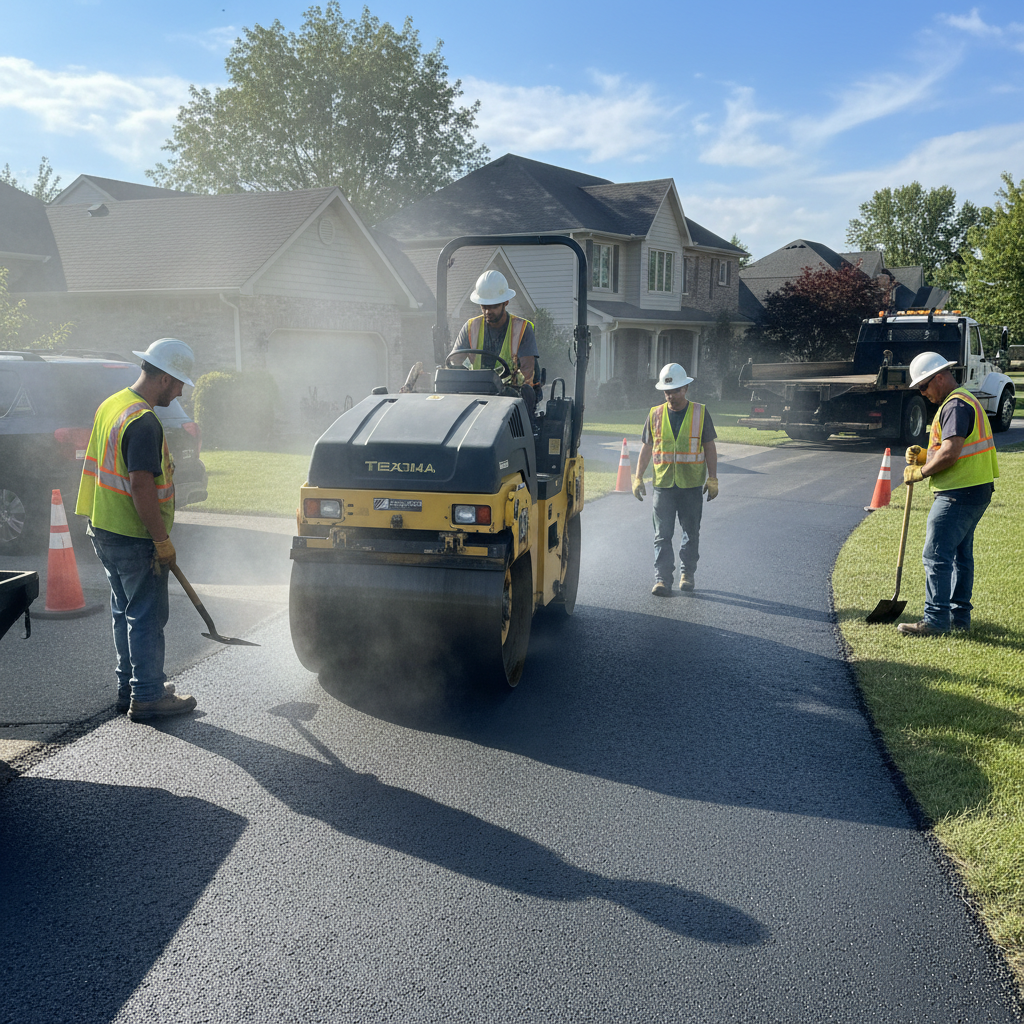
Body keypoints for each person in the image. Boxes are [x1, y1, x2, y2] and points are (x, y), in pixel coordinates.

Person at [76, 338, 199, 720]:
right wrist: (161, 540)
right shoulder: (143, 422)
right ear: (163, 378)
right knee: (146, 615)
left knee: (124, 610)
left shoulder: (113, 404)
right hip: (133, 535)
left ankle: (130, 685)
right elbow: (141, 485)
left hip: (103, 527)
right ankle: (147, 695)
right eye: (179, 383)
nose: (180, 392)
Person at [898, 350, 999, 636]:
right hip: (975, 489)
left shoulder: (954, 405)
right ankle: (958, 620)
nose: (923, 392)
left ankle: (935, 621)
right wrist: (923, 457)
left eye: (923, 386)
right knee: (960, 556)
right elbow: (948, 448)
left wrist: (921, 472)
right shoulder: (966, 400)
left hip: (958, 492)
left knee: (936, 555)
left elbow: (952, 452)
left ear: (939, 378)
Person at [632, 363, 719, 595]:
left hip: (691, 485)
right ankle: (662, 579)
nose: (671, 395)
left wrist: (713, 478)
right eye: (667, 391)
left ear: (686, 389)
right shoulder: (655, 414)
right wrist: (638, 477)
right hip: (663, 485)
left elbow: (709, 446)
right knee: (662, 535)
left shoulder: (700, 413)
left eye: (676, 390)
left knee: (691, 532)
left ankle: (687, 573)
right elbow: (647, 447)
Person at [452, 270, 540, 424]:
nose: (488, 311)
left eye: (493, 306)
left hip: (510, 399)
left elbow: (527, 374)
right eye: (484, 306)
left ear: (505, 302)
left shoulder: (522, 328)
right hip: (476, 394)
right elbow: (454, 361)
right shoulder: (471, 327)